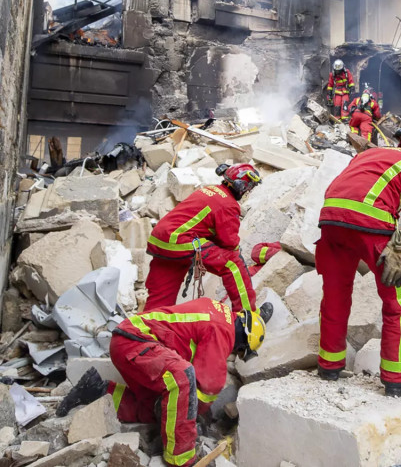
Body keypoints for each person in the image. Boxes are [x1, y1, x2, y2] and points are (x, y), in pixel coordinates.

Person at [56, 298, 272, 467]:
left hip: (130, 342)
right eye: (241, 350)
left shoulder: (219, 313)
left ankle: (96, 391)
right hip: (135, 341)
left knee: (162, 409)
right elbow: (209, 384)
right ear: (243, 338)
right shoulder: (223, 330)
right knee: (182, 379)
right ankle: (181, 457)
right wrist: (198, 414)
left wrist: (185, 412)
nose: (236, 352)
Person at [315, 130, 401, 397]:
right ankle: (397, 379)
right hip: (372, 224)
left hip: (330, 219)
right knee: (399, 303)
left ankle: (329, 366)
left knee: (335, 295)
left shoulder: (370, 154)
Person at [144, 163, 261, 313]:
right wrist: (236, 251)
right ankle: (248, 317)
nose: (248, 191)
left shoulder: (209, 190)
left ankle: (148, 329)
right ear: (242, 186)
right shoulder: (228, 205)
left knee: (161, 295)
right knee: (233, 263)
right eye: (249, 187)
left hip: (160, 240)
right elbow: (229, 242)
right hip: (179, 241)